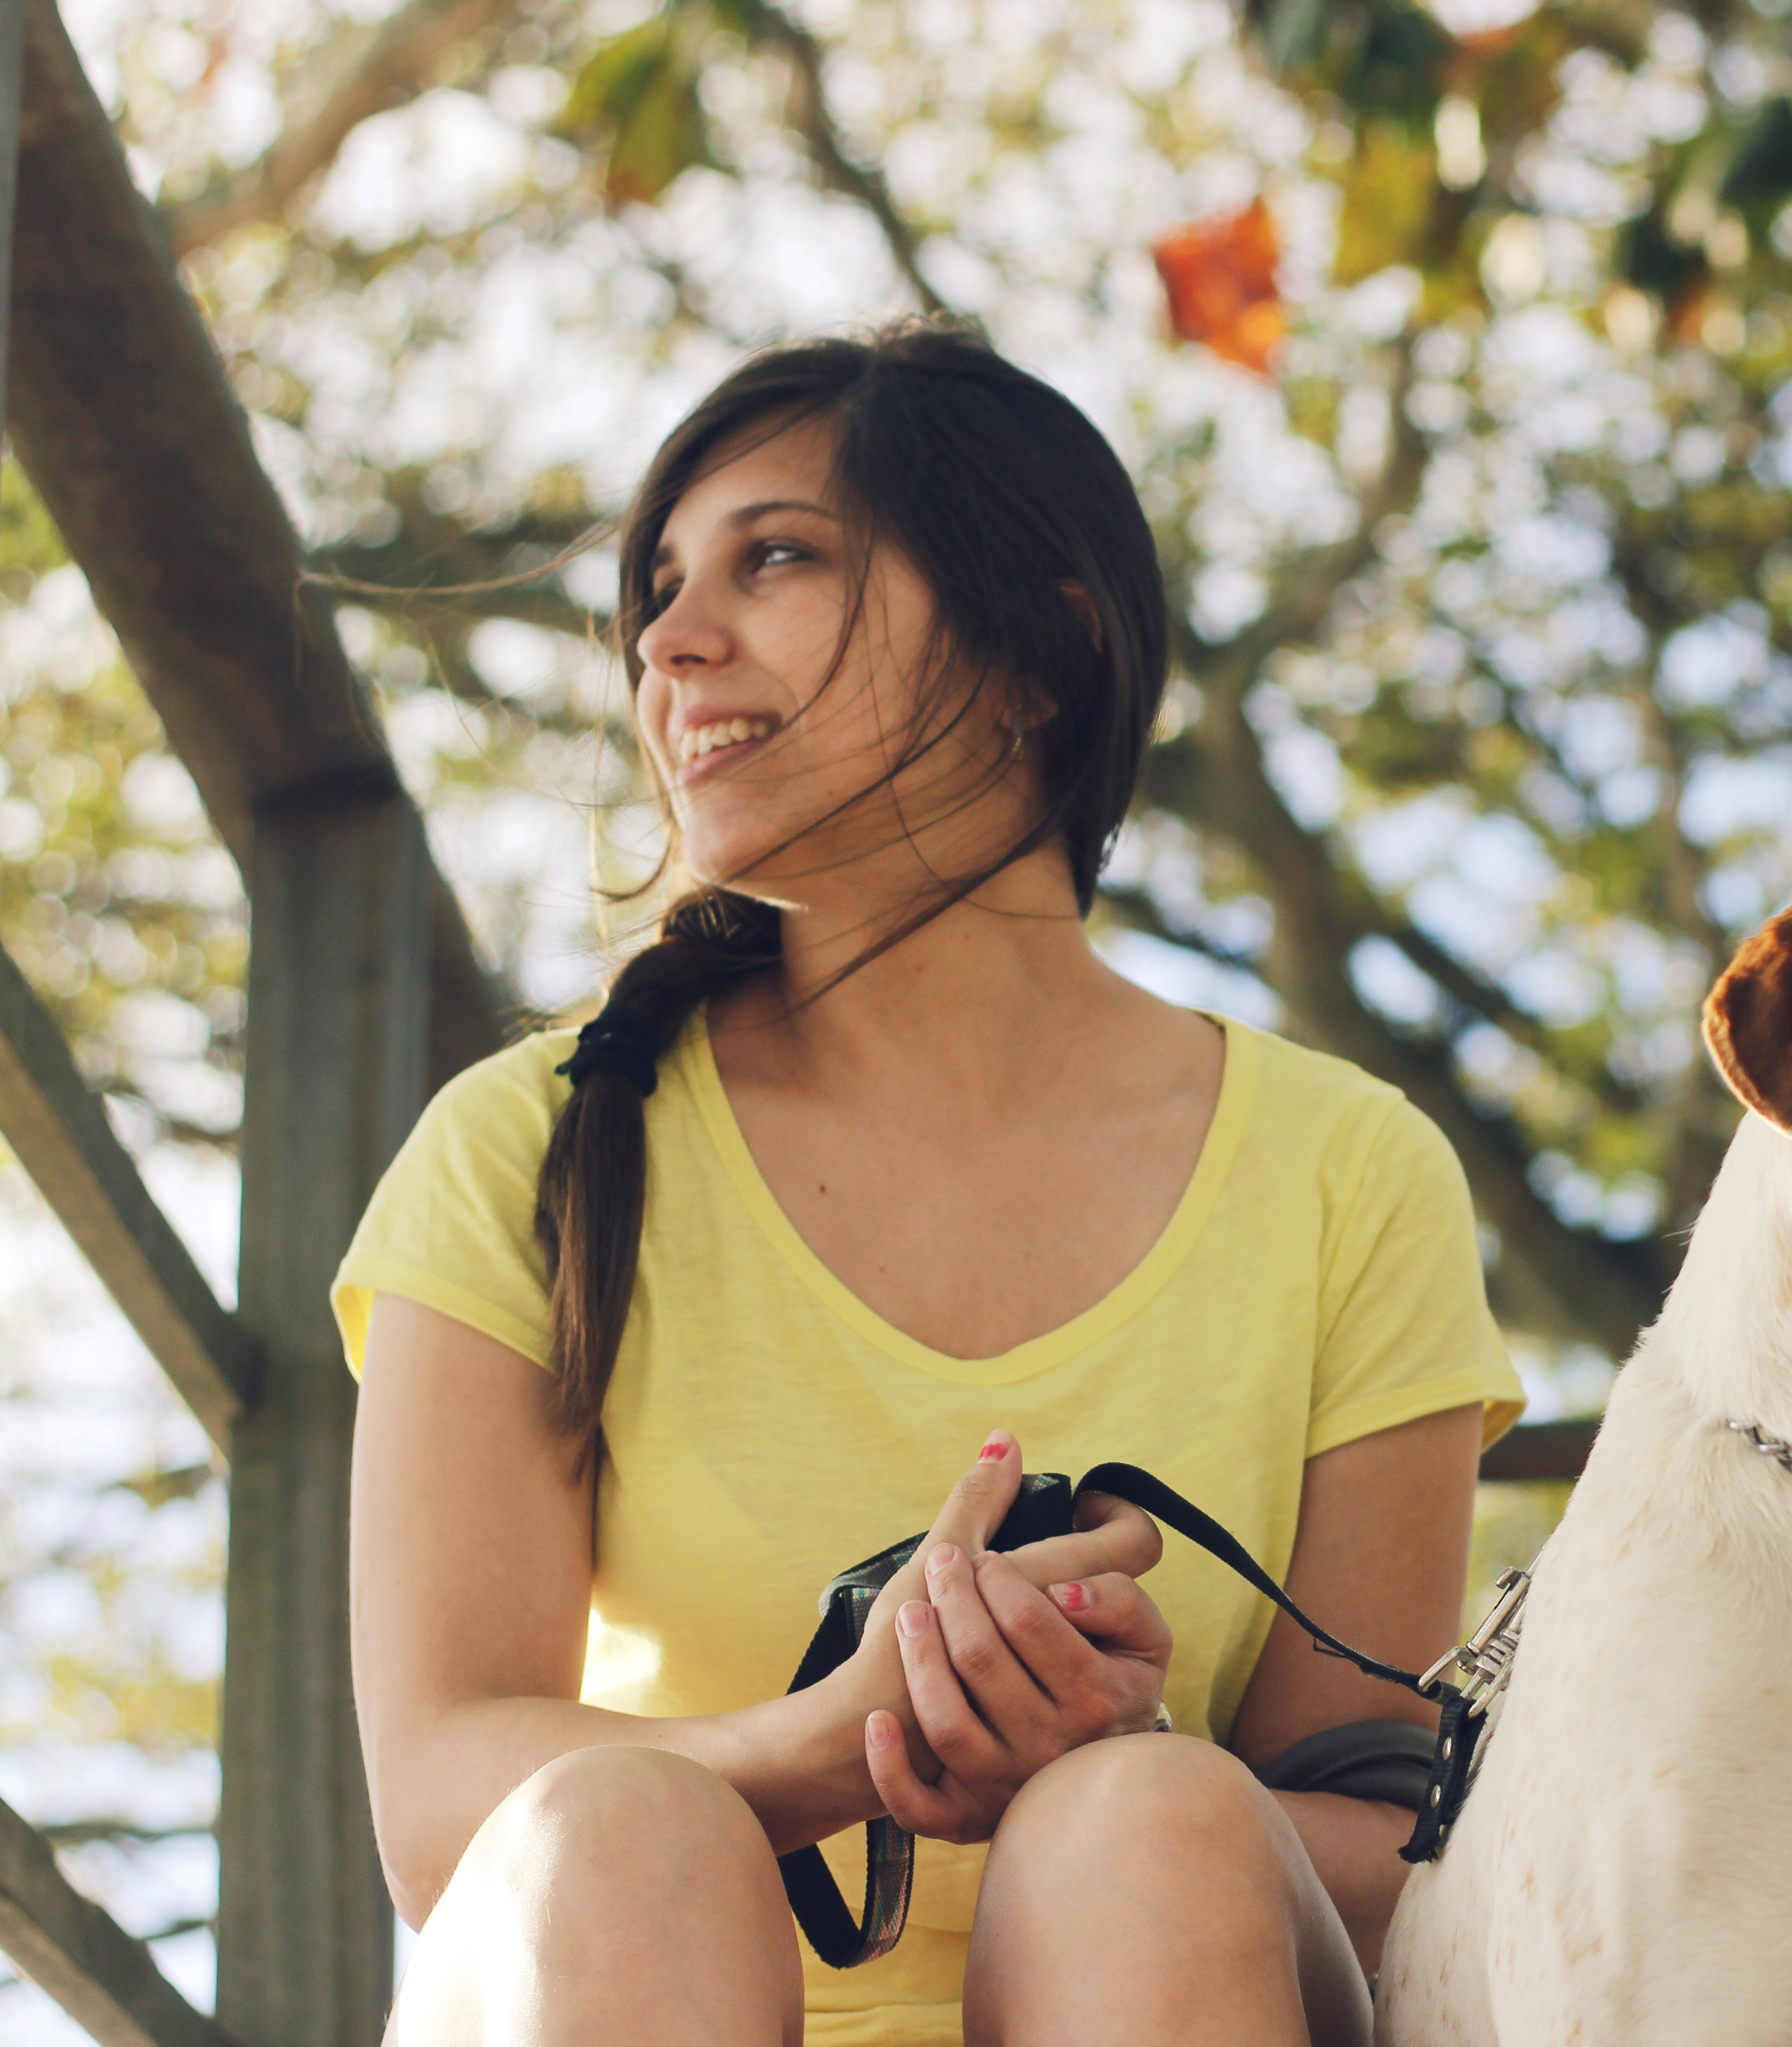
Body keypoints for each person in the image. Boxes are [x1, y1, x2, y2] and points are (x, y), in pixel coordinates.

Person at [339, 319, 1523, 2047]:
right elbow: (441, 1807)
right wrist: (835, 1742)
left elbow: (1390, 1847)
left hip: (1166, 1987)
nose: (671, 643)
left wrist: (1104, 1759)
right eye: (660, 591)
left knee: (1148, 1826)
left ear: (1040, 648)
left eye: (779, 558)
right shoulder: (524, 1148)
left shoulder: (1351, 1173)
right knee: (615, 1824)